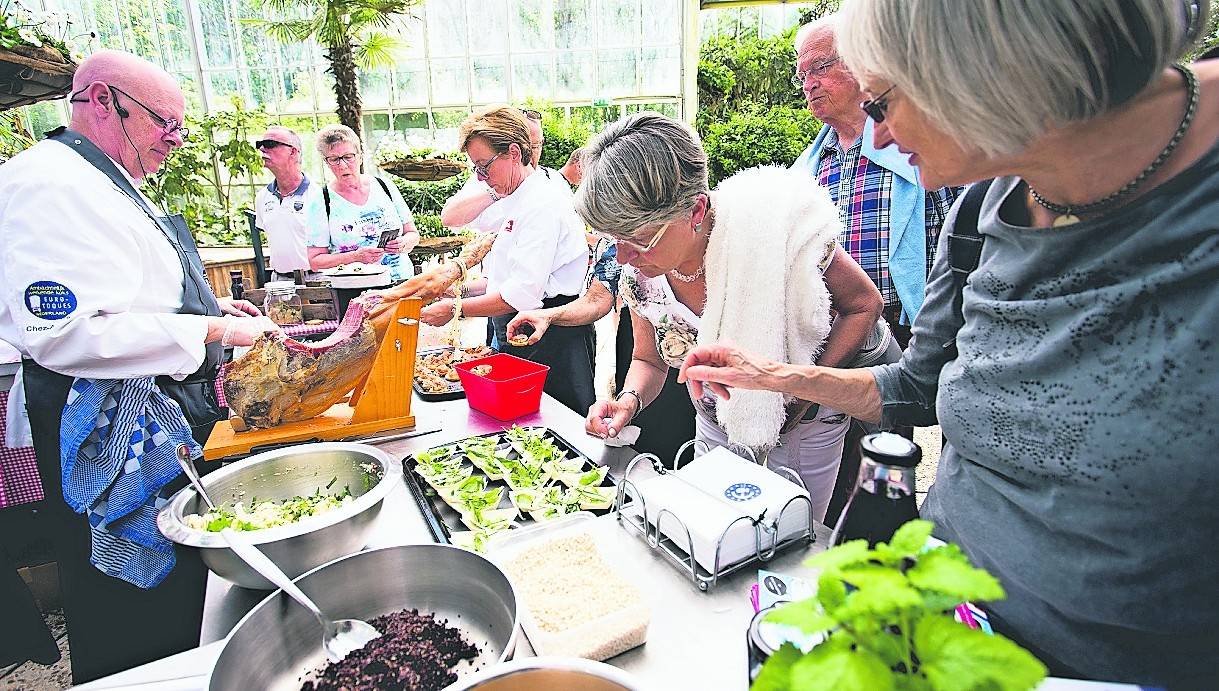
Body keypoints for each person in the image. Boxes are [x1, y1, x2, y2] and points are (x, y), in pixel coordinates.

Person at [679, 1, 1219, 685]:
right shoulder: (983, 201)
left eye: (880, 104)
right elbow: (914, 389)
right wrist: (779, 375)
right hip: (944, 624)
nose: (876, 136)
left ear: (985, 68)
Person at [0, 50, 278, 683]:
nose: (174, 141)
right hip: (101, 425)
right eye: (164, 122)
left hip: (153, 413)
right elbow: (68, 331)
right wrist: (212, 328)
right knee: (126, 598)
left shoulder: (105, 179)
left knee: (176, 590)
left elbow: (132, 292)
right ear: (101, 102)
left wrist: (207, 305)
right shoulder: (46, 184)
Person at [578, 112, 895, 519]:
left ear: (695, 211)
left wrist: (803, 394)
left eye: (639, 240)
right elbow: (648, 358)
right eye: (614, 240)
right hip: (714, 413)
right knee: (716, 520)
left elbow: (864, 305)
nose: (623, 257)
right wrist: (628, 400)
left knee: (793, 529)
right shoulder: (641, 273)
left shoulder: (773, 232)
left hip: (808, 418)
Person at [420, 106, 595, 413]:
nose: (482, 178)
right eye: (476, 169)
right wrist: (454, 290)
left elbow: (522, 293)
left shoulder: (542, 203)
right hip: (524, 327)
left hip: (553, 337)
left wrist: (455, 308)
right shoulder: (515, 197)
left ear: (514, 153)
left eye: (484, 167)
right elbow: (505, 280)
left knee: (555, 426)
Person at [306, 124, 419, 283]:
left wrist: (404, 243)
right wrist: (354, 257)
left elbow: (413, 234)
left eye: (348, 156)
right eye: (334, 159)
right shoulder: (322, 201)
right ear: (326, 162)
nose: (343, 165)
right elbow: (315, 261)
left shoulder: (384, 186)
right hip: (355, 290)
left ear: (360, 156)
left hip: (401, 283)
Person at [253, 125, 320, 282]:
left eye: (270, 144)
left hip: (318, 279)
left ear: (293, 151)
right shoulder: (262, 197)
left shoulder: (319, 196)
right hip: (280, 282)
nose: (262, 149)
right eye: (260, 144)